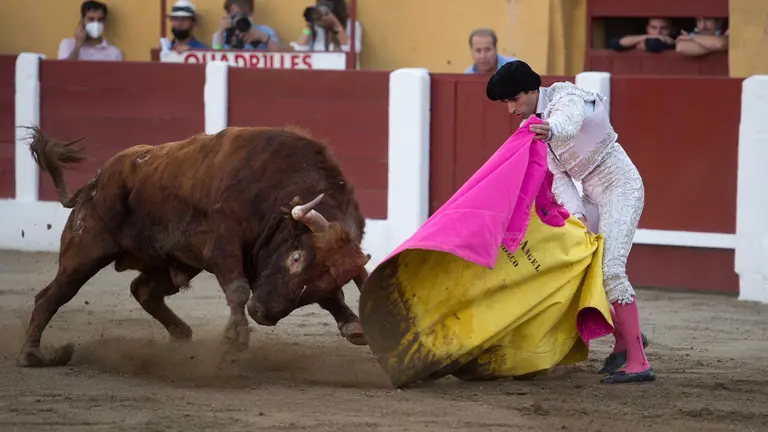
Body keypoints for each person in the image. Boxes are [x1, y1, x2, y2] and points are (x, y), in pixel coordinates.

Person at [485, 60, 655, 384]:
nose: (510, 109)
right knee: (583, 264)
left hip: (621, 186)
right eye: (506, 102)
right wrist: (575, 219)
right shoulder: (538, 126)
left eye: (512, 99)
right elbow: (560, 177)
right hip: (591, 194)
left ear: (532, 90)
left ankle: (639, 362)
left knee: (612, 270)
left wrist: (551, 129)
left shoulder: (565, 97)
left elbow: (569, 122)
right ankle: (624, 341)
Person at [291, 0, 362, 54]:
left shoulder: (352, 25)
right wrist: (309, 25)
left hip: (340, 72)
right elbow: (299, 50)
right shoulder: (316, 27)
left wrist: (335, 24)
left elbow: (352, 51)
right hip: (319, 71)